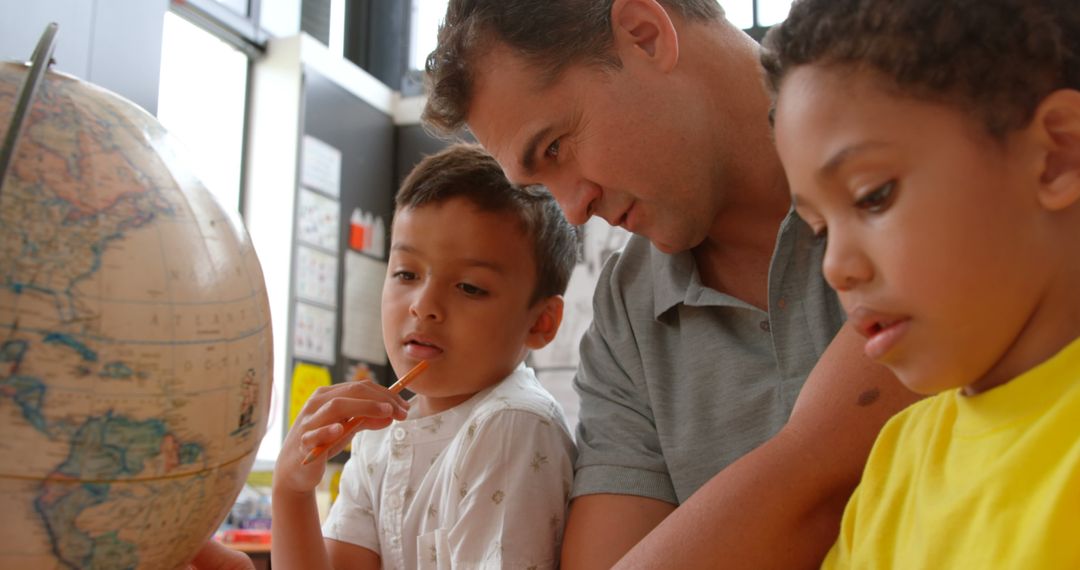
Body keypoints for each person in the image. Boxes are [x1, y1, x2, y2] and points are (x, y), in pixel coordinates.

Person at [422, 1, 921, 567]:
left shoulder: (917, 112)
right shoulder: (626, 308)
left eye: (557, 146)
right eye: (541, 185)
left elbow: (818, 487)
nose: (575, 209)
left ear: (644, 34)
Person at [762, 0, 1080, 566]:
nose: (835, 266)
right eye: (818, 230)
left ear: (1057, 155)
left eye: (872, 196)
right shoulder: (898, 458)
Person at [270, 144, 579, 569]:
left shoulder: (512, 423)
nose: (424, 304)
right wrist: (292, 491)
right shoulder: (378, 436)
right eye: (406, 274)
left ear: (541, 322)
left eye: (470, 286)